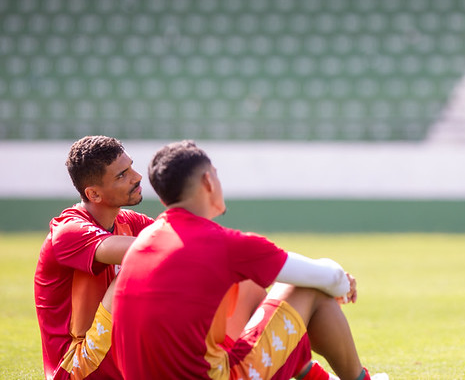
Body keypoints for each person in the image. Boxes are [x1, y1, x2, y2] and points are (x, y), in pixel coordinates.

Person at [111, 140, 387, 380]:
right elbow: (324, 276)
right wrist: (341, 284)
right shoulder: (226, 243)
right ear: (208, 181)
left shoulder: (142, 243)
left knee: (249, 286)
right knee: (307, 288)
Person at [34, 135, 154, 380]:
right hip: (76, 367)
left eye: (131, 166)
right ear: (94, 194)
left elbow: (181, 239)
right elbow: (155, 249)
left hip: (113, 353)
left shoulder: (127, 221)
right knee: (142, 264)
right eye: (122, 175)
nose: (137, 176)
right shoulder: (68, 230)